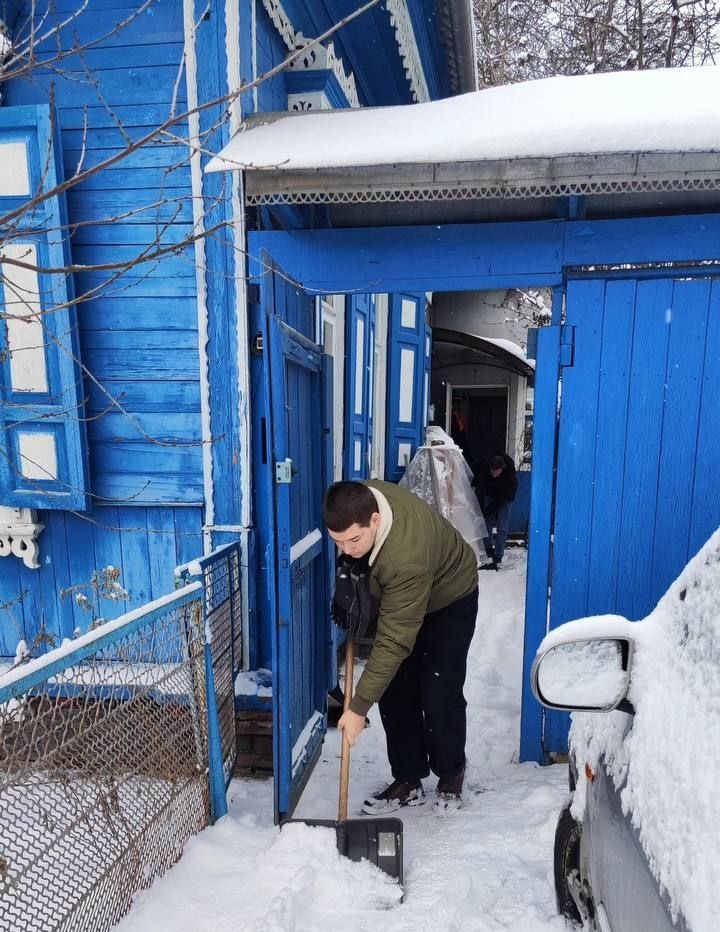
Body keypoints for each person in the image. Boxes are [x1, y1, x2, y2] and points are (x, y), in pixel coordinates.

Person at [323, 479, 479, 813]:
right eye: (338, 542)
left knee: (440, 691)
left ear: (375, 521)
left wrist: (357, 708)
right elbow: (358, 557)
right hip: (402, 593)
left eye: (354, 541)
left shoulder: (405, 556)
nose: (346, 549)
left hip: (449, 598)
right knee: (394, 691)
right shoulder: (357, 501)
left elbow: (394, 640)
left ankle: (451, 773)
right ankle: (408, 778)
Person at [473, 452, 518, 570]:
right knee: (486, 524)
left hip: (506, 497)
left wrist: (491, 509)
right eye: (492, 472)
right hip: (489, 494)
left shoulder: (510, 476)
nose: (493, 475)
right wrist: (482, 509)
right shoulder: (484, 469)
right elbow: (480, 489)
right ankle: (488, 553)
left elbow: (502, 498)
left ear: (502, 468)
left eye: (496, 473)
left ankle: (498, 557)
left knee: (502, 527)